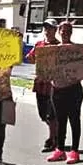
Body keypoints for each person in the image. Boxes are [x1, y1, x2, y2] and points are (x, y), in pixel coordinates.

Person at [47, 21, 83, 164]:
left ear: (71, 33)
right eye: (63, 31)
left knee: (74, 120)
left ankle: (74, 150)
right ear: (59, 32)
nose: (65, 34)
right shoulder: (52, 50)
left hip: (73, 89)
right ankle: (60, 149)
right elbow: (39, 64)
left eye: (68, 31)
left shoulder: (76, 49)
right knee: (60, 120)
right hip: (57, 89)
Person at [26, 18, 59, 153]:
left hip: (53, 85)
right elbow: (30, 58)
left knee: (51, 114)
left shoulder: (59, 46)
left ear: (55, 30)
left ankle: (52, 139)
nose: (47, 30)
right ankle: (56, 133)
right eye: (45, 28)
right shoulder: (39, 44)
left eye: (50, 28)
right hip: (40, 83)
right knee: (43, 114)